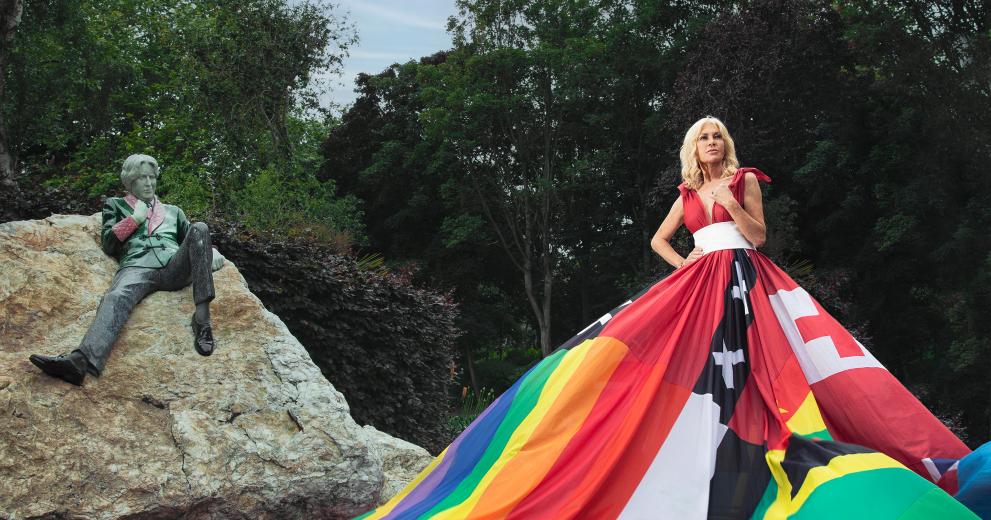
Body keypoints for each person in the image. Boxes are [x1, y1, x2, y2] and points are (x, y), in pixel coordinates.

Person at [356, 116, 988, 519]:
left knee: (780, 354)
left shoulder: (742, 180)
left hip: (746, 273)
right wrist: (686, 260)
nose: (712, 142)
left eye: (718, 135)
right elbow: (659, 242)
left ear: (726, 146)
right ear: (693, 148)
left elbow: (760, 238)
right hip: (701, 274)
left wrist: (730, 208)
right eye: (703, 136)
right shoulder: (685, 195)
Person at [28, 154, 223, 386]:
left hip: (173, 266)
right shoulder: (115, 205)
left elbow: (193, 237)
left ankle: (202, 322)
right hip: (137, 266)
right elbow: (109, 243)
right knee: (116, 296)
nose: (149, 183)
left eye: (152, 177)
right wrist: (134, 219)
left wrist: (210, 251)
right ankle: (80, 362)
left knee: (200, 226)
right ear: (130, 182)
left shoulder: (174, 211)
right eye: (142, 178)